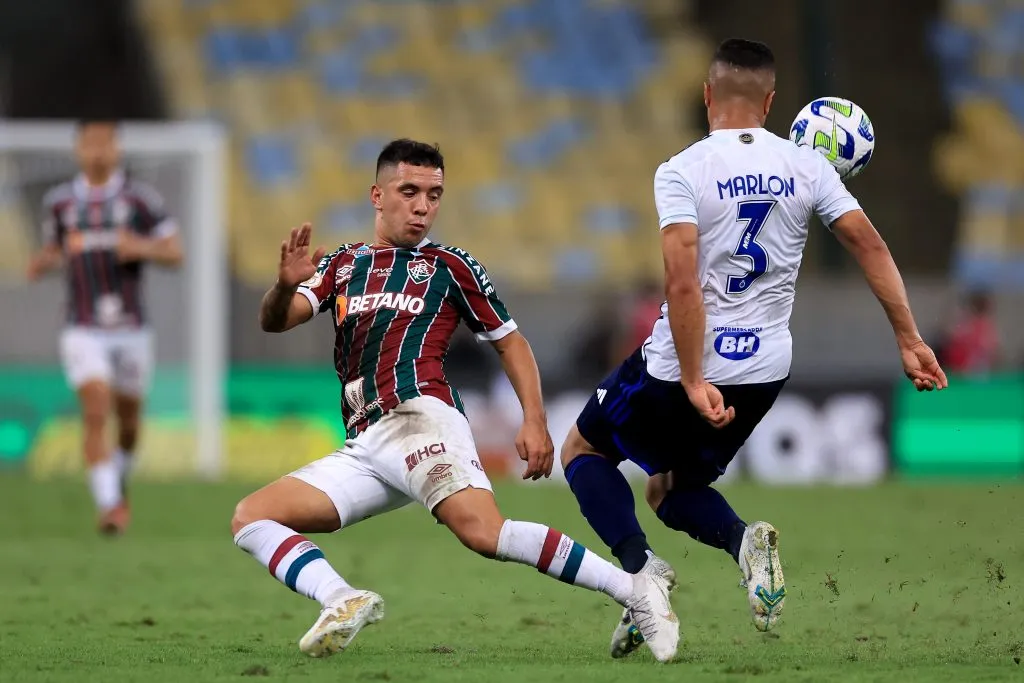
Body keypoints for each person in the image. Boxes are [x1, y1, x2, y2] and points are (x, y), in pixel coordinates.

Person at [558, 38, 948, 658]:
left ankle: (642, 576)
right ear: (770, 102)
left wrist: (690, 377)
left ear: (707, 95)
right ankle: (744, 544)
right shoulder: (810, 167)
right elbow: (870, 247)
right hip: (764, 366)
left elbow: (682, 281)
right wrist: (909, 337)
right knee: (667, 488)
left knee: (581, 448)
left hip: (685, 361)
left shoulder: (682, 169)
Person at [230, 139, 679, 662]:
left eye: (434, 194)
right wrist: (284, 287)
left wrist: (534, 419)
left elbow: (510, 341)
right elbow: (275, 319)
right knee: (252, 516)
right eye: (410, 191)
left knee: (484, 533)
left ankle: (636, 589)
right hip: (367, 442)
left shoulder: (450, 266)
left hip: (420, 418)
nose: (423, 205)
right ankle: (341, 599)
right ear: (378, 195)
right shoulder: (342, 264)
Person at [26, 119, 183, 535]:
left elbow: (175, 252)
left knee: (128, 423)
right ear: (78, 150)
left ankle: (117, 484)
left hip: (131, 326)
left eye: (105, 143)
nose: (97, 151)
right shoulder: (60, 203)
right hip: (82, 326)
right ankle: (110, 504)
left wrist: (141, 247)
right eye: (89, 143)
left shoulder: (139, 200)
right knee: (95, 410)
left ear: (117, 148)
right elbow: (51, 250)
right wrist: (42, 263)